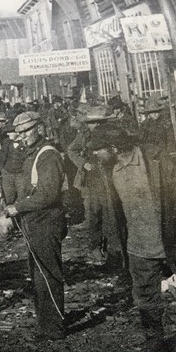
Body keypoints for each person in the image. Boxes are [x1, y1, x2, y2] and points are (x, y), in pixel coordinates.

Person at [88, 125, 176, 352]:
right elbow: (99, 209)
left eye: (98, 149)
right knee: (146, 300)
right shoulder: (105, 171)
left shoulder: (155, 159)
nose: (94, 154)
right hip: (139, 247)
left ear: (113, 148)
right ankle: (155, 341)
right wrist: (98, 242)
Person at [5, 111, 67, 340]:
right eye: (18, 133)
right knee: (38, 276)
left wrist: (17, 207)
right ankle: (46, 324)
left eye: (26, 131)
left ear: (39, 128)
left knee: (47, 276)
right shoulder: (32, 153)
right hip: (34, 223)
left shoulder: (47, 155)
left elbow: (48, 195)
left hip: (46, 222)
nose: (21, 137)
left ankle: (54, 329)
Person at [67, 105, 121, 264]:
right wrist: (83, 164)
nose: (95, 126)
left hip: (112, 176)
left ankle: (114, 248)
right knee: (95, 213)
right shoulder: (84, 135)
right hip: (93, 178)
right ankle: (95, 248)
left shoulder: (112, 133)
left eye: (98, 123)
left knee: (112, 211)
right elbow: (72, 151)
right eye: (92, 123)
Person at [0, 122, 27, 205]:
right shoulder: (6, 142)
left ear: (17, 132)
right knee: (8, 197)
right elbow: (2, 157)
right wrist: (1, 170)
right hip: (7, 174)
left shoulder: (25, 143)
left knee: (22, 196)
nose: (7, 133)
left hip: (21, 174)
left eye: (10, 132)